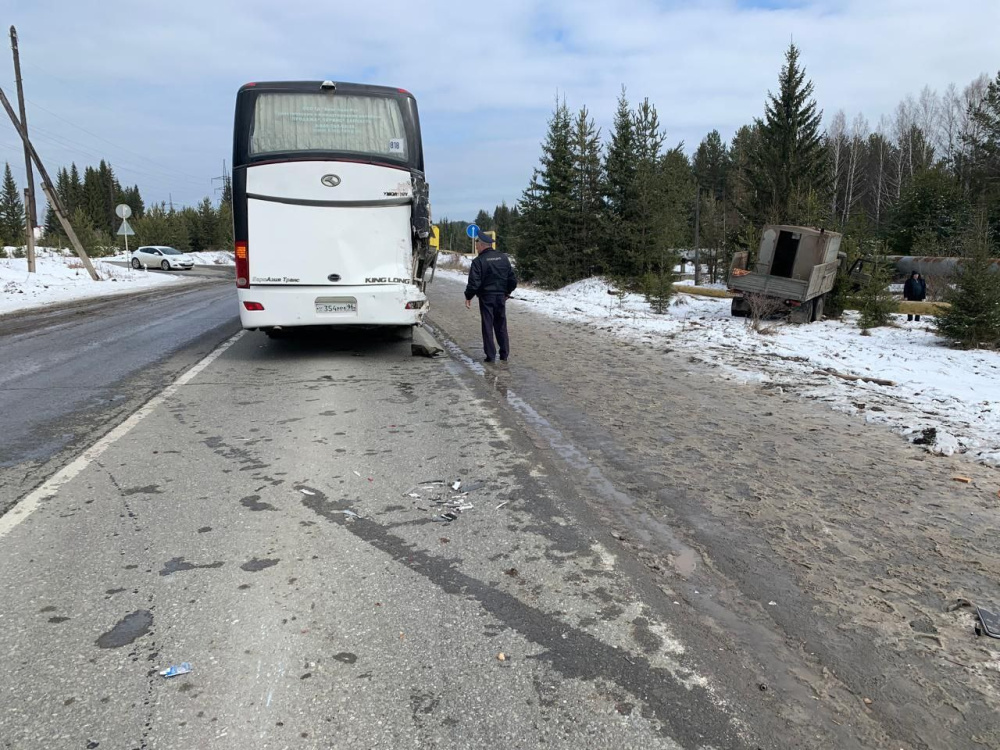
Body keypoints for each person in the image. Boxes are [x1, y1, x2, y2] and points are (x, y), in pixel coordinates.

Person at [464, 233, 517, 363]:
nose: (476, 248)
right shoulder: (503, 258)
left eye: (477, 245)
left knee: (487, 325)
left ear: (482, 245)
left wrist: (468, 296)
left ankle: (490, 355)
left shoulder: (478, 261)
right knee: (501, 325)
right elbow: (512, 279)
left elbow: (474, 283)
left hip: (486, 297)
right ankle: (504, 354)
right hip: (500, 297)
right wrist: (507, 292)